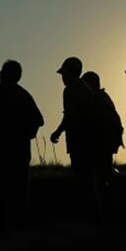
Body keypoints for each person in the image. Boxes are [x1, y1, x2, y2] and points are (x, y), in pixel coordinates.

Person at [0, 60, 43, 233]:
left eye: (2, 72)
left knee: (2, 188)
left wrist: (6, 123)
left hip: (7, 147)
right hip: (15, 148)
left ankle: (5, 225)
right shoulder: (23, 95)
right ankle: (13, 224)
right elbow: (38, 120)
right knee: (14, 189)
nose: (0, 75)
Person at [50, 57, 106, 224]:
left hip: (80, 143)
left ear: (68, 72)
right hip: (91, 142)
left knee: (83, 182)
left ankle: (91, 220)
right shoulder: (85, 88)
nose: (62, 77)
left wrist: (58, 132)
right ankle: (96, 219)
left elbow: (70, 115)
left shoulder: (71, 89)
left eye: (63, 73)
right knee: (89, 182)